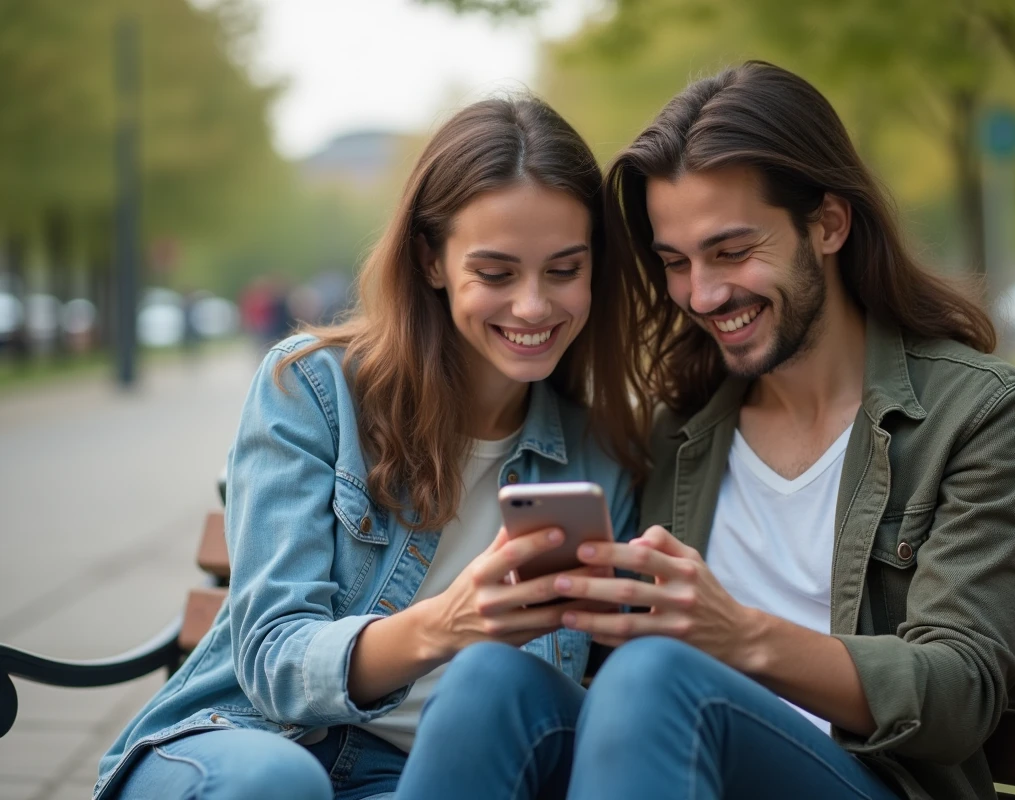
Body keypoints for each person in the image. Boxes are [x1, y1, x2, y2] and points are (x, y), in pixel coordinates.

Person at [402, 61, 1015, 800]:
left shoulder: (977, 414)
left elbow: (959, 693)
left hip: (871, 780)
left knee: (657, 675)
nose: (703, 295)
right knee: (490, 676)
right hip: (679, 768)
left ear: (829, 224)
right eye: (676, 263)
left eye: (732, 251)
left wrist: (736, 634)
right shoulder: (681, 428)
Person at [93, 95, 648, 800]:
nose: (534, 307)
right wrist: (447, 623)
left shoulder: (602, 451)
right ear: (431, 259)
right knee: (278, 784)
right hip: (245, 744)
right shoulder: (315, 390)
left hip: (432, 781)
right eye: (497, 274)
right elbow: (272, 662)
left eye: (564, 270)